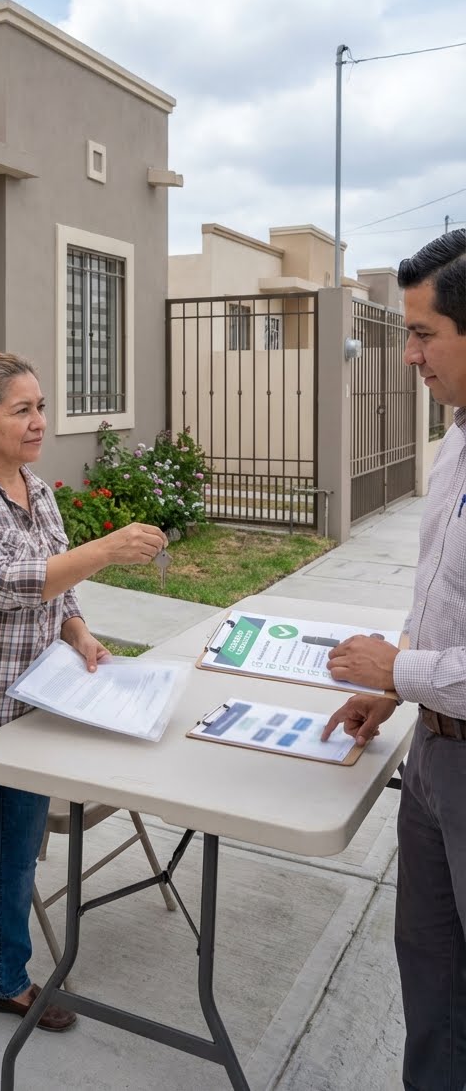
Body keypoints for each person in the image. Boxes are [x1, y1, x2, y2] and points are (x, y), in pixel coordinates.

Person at [0, 351, 167, 1090]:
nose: (40, 421)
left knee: (18, 861)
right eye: (22, 409)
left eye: (41, 405)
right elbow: (6, 581)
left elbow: (56, 585)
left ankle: (5, 977)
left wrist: (79, 633)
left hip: (28, 713)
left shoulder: (38, 489)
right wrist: (108, 548)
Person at [322, 229, 466, 1091]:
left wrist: (400, 672)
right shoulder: (452, 444)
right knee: (431, 974)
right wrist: (396, 687)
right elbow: (441, 606)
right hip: (435, 756)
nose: (406, 354)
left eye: (422, 334)